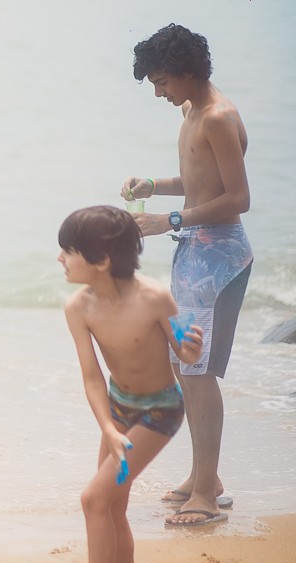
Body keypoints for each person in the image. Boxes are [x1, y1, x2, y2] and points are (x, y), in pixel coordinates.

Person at [46, 207, 204, 563]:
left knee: (95, 498)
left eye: (68, 251)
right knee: (111, 505)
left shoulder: (156, 297)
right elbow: (93, 378)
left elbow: (187, 354)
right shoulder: (78, 307)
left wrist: (192, 348)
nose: (60, 258)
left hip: (159, 413)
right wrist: (110, 428)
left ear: (100, 260)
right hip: (118, 412)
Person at [119, 24, 251, 527]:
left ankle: (208, 497)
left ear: (188, 72)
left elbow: (238, 199)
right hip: (195, 254)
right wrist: (154, 184)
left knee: (199, 373)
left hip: (219, 258)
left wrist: (165, 220)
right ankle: (205, 479)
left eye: (162, 82)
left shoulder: (218, 116)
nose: (159, 93)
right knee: (185, 367)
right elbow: (200, 182)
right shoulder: (193, 110)